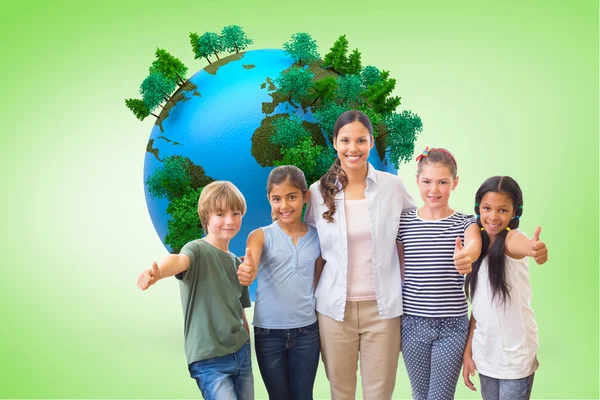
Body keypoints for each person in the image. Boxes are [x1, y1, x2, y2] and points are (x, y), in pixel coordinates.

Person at [304, 110, 415, 400]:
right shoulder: (318, 192)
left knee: (379, 394)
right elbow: (309, 246)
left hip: (383, 310)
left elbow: (415, 233)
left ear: (371, 143)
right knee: (341, 393)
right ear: (334, 143)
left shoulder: (392, 187)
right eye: (346, 140)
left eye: (361, 140)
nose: (353, 149)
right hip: (333, 310)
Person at [137, 181, 254, 400]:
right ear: (206, 217)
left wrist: (246, 341)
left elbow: (239, 311)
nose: (229, 220)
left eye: (236, 213)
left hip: (241, 353)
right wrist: (158, 273)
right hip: (209, 360)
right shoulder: (196, 250)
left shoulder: (237, 264)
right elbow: (178, 261)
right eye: (220, 214)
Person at [396, 147, 482, 400]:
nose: (434, 190)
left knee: (440, 397)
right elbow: (396, 266)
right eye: (427, 182)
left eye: (442, 182)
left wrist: (467, 256)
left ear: (455, 183)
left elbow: (474, 244)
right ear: (417, 181)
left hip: (452, 327)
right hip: (412, 323)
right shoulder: (404, 221)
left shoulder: (466, 222)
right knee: (420, 395)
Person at [237, 165, 323, 400]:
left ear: (305, 196)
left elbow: (319, 281)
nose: (284, 206)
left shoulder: (318, 237)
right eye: (277, 199)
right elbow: (251, 264)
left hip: (307, 332)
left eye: (291, 197)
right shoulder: (260, 235)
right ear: (269, 200)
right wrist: (247, 271)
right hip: (268, 333)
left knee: (303, 396)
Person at [462, 176, 548, 400]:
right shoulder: (477, 246)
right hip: (486, 355)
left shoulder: (511, 239)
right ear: (477, 208)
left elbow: (523, 244)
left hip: (515, 357)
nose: (493, 216)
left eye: (502, 210)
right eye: (487, 208)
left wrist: (534, 248)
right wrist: (469, 351)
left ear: (514, 213)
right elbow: (479, 310)